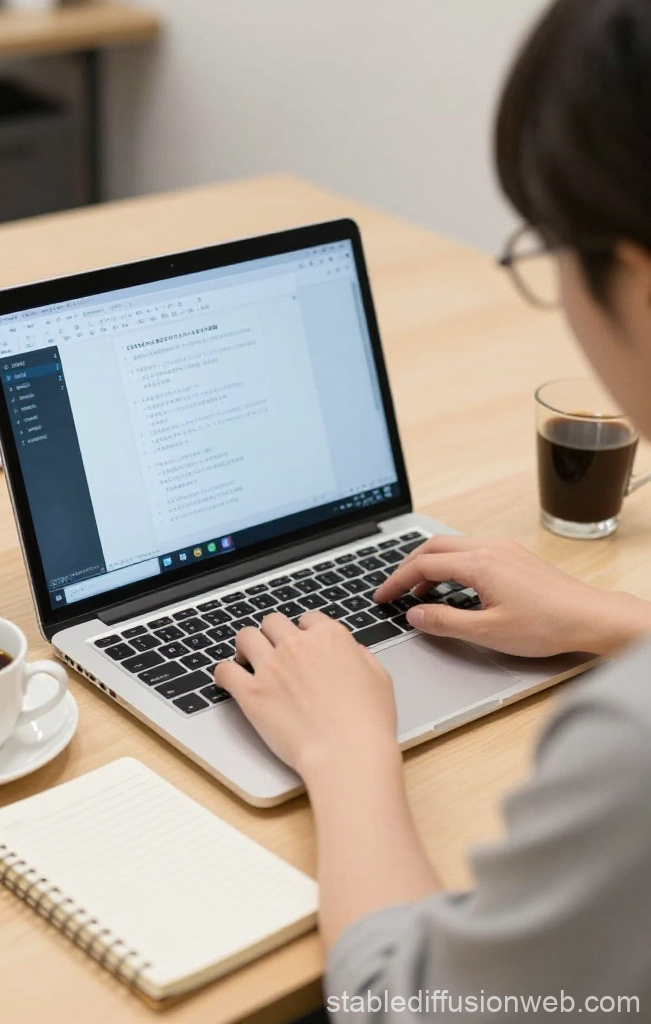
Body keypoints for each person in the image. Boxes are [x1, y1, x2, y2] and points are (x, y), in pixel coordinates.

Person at [216, 0, 651, 1018]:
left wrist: (345, 751)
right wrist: (615, 619)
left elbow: (409, 1004)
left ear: (633, 273)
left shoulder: (629, 746)